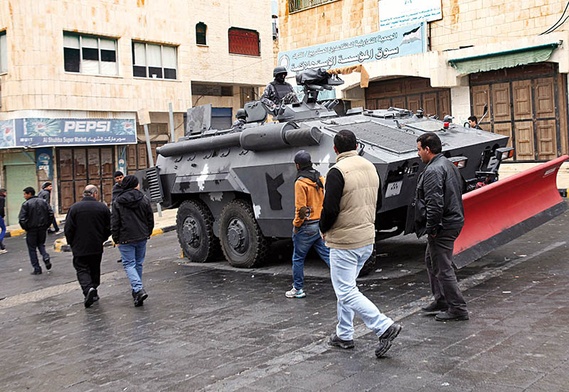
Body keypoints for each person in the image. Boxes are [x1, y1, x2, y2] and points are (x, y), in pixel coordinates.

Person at [320, 129, 402, 358]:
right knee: (346, 288)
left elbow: (330, 209)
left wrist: (323, 228)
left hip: (345, 241)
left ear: (335, 149)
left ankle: (383, 327)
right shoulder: (371, 168)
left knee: (345, 291)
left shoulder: (337, 172)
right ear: (356, 145)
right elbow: (378, 204)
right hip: (366, 239)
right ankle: (344, 334)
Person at [415, 132, 469, 321]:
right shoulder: (447, 164)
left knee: (442, 267)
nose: (418, 154)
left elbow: (434, 203)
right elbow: (462, 187)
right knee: (431, 261)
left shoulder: (433, 170)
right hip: (452, 220)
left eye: (419, 149)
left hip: (443, 225)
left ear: (427, 149)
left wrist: (433, 228)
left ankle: (457, 307)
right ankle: (441, 299)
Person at [286, 150, 330, 299]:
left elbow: (301, 208)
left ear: (298, 165)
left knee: (298, 258)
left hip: (306, 226)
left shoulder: (300, 182)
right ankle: (346, 281)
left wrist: (296, 225)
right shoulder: (319, 177)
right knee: (328, 255)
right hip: (318, 223)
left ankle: (298, 289)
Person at [65, 185, 111, 308]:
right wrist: (102, 238)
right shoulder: (102, 207)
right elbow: (109, 227)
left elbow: (68, 228)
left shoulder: (74, 208)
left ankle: (88, 289)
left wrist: (71, 242)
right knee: (94, 268)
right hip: (96, 245)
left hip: (79, 246)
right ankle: (93, 289)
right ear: (95, 194)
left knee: (81, 268)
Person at [111, 175, 154, 307]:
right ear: (135, 185)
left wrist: (115, 237)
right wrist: (148, 232)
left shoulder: (118, 201)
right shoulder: (144, 199)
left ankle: (138, 289)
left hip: (125, 238)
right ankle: (137, 290)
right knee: (138, 263)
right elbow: (149, 218)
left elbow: (115, 222)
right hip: (141, 236)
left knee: (129, 264)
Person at [19, 186, 53, 275]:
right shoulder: (44, 202)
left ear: (29, 194)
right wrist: (47, 225)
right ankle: (45, 256)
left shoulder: (26, 204)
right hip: (42, 228)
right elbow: (51, 214)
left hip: (31, 229)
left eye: (25, 194)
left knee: (32, 249)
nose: (24, 196)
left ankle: (37, 268)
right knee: (41, 244)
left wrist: (26, 227)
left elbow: (22, 219)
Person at [0, 188, 7, 253]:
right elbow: (1, 208)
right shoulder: (2, 198)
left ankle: (1, 246)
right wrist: (2, 216)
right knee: (4, 229)